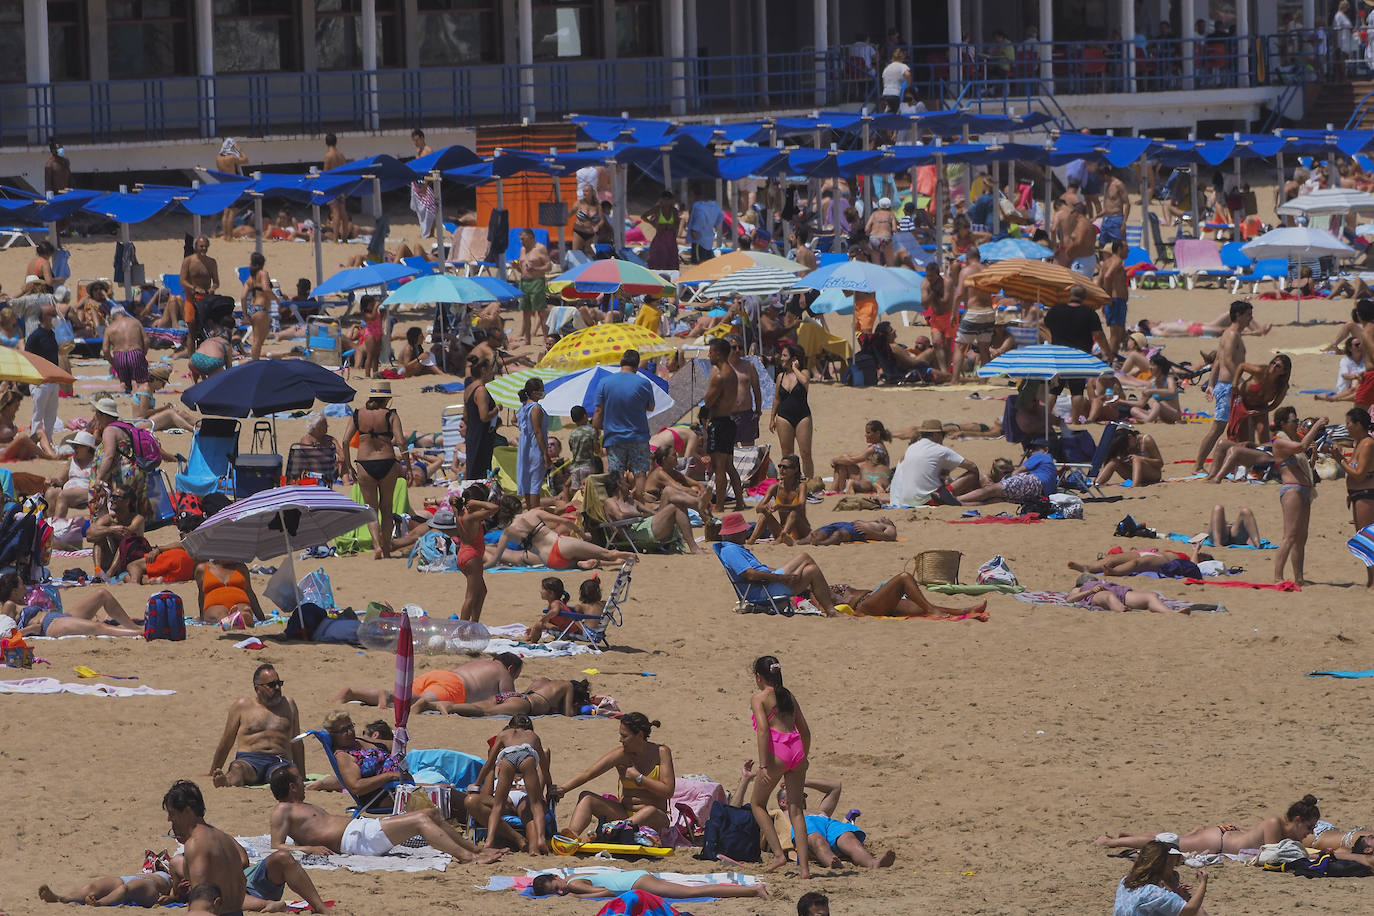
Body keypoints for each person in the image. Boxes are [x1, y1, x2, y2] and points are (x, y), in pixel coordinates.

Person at [267, 765, 501, 865]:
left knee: (429, 812)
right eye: (298, 778)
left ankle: (476, 850)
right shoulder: (283, 809)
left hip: (361, 831)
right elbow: (276, 845)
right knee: (421, 820)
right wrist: (309, 849)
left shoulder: (301, 805)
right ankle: (468, 858)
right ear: (291, 786)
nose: (302, 779)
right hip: (356, 842)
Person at [550, 712, 675, 839]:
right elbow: (588, 774)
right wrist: (563, 789)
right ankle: (571, 837)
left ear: (640, 735)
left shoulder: (661, 752)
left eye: (624, 736)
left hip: (655, 819)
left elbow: (668, 791)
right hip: (624, 814)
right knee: (586, 798)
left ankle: (613, 831)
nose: (620, 740)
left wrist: (639, 778)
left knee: (650, 811)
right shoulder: (622, 755)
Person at [745, 656, 811, 878]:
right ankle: (804, 869)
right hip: (797, 750)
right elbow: (805, 730)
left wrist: (763, 765)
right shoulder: (788, 695)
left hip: (778, 754)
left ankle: (779, 855)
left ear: (759, 677)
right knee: (796, 810)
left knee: (757, 804)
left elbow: (763, 731)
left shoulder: (759, 698)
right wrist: (805, 757)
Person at [1096, 794, 1322, 855]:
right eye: (1309, 827)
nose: (1310, 833)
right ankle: (1111, 841)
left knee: (1176, 838)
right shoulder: (1275, 823)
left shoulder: (1284, 829)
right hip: (1218, 841)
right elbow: (1271, 855)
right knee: (1168, 842)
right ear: (1297, 820)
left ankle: (1129, 834)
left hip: (1226, 835)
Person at [208, 664, 304, 788]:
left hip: (279, 760)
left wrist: (302, 775)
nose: (277, 688)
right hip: (249, 760)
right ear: (257, 688)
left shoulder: (289, 705)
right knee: (237, 769)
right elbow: (226, 742)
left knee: (283, 776)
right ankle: (226, 782)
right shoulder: (242, 706)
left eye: (279, 683)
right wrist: (213, 771)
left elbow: (297, 742)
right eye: (271, 685)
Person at [163, 781, 250, 916]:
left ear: (187, 811)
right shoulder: (226, 838)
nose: (169, 819)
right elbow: (244, 868)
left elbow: (202, 896)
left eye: (172, 813)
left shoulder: (195, 843)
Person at [339, 382, 405, 559]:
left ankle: (376, 545)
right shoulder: (390, 414)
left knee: (371, 509)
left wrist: (349, 465)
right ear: (387, 399)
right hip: (387, 463)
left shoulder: (358, 414)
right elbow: (400, 441)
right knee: (387, 508)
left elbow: (345, 441)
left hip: (365, 464)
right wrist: (408, 465)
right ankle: (386, 550)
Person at [477, 714, 552, 853]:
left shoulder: (504, 735)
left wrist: (476, 783)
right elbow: (544, 768)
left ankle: (489, 842)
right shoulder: (532, 736)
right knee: (535, 805)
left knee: (499, 807)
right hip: (526, 760)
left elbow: (488, 764)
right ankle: (540, 839)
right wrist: (551, 784)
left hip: (510, 765)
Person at [335, 654, 524, 708]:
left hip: (439, 675)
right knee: (415, 702)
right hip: (456, 687)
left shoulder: (483, 662)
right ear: (510, 668)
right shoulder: (503, 672)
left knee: (404, 697)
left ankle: (354, 693)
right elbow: (508, 697)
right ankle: (386, 695)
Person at [1194, 300, 1253, 472]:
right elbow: (1226, 360)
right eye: (1248, 315)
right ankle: (1198, 466)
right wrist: (1240, 381)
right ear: (1239, 316)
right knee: (1218, 427)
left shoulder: (1232, 334)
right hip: (1228, 387)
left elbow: (1218, 362)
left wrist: (1211, 384)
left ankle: (1241, 462)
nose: (1251, 318)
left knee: (1243, 423)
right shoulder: (1232, 334)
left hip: (1227, 385)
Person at [1270, 408, 1326, 586]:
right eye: (1294, 420)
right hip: (1292, 490)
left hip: (1304, 490)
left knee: (1302, 537)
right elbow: (1300, 448)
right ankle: (1278, 576)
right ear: (1283, 423)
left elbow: (1305, 462)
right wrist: (1316, 425)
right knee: (1290, 535)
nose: (1297, 423)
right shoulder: (1279, 441)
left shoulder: (1294, 439)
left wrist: (1314, 455)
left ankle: (1299, 578)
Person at [486, 506, 636, 570]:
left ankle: (585, 563)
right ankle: (617, 555)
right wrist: (584, 535)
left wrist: (482, 568)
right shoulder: (533, 513)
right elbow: (565, 521)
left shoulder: (507, 531)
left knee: (578, 564)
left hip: (550, 561)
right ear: (518, 508)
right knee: (607, 553)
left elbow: (494, 560)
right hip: (560, 544)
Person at [594, 349, 656, 501]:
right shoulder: (643, 383)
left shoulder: (605, 383)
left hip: (614, 437)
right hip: (638, 436)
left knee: (617, 473)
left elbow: (598, 410)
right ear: (636, 366)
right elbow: (651, 407)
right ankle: (639, 505)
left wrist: (595, 430)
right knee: (640, 472)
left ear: (621, 363)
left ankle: (620, 503)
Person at [1044, 285, 1111, 421]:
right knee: (1077, 390)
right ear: (1084, 297)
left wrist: (1052, 340)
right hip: (1079, 356)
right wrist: (1108, 352)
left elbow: (1045, 326)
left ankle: (1045, 418)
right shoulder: (1089, 313)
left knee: (1054, 390)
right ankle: (1074, 420)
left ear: (1070, 295)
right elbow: (1099, 335)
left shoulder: (1056, 310)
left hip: (1058, 353)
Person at [7, 573, 143, 638]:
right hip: (49, 625)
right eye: (21, 585)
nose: (25, 587)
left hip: (58, 617)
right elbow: (5, 636)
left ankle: (134, 627)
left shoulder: (21, 603)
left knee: (102, 594)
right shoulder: (9, 605)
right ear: (13, 591)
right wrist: (30, 630)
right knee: (98, 627)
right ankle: (141, 633)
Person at [888, 418, 984, 507]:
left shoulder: (911, 448)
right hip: (929, 499)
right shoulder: (940, 450)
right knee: (973, 474)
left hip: (904, 500)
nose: (943, 438)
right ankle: (974, 496)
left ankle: (960, 498)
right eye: (942, 435)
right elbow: (973, 466)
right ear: (936, 435)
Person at [602, 472, 698, 554]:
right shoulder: (610, 502)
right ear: (619, 483)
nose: (629, 484)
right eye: (626, 481)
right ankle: (694, 547)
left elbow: (653, 513)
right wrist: (640, 515)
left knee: (669, 491)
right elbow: (620, 516)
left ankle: (697, 502)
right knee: (675, 507)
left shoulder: (632, 501)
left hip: (646, 527)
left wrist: (659, 506)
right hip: (633, 534)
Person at [417, 676, 593, 718]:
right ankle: (449, 707)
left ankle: (431, 705)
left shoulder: (544, 681)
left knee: (479, 704)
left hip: (514, 695)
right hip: (525, 704)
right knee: (483, 712)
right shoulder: (567, 686)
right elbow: (569, 714)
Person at [1112, 840, 1207, 916]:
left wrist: (1174, 894)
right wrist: (1203, 883)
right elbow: (1189, 910)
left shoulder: (1124, 881)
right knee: (1199, 912)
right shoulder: (1152, 892)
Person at [829, 574, 989, 619]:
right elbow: (826, 609)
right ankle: (934, 611)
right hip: (864, 606)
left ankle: (966, 611)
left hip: (873, 599)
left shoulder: (825, 587)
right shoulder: (815, 594)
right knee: (904, 578)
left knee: (921, 608)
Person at [531, 873, 766, 900]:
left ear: (556, 877)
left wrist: (579, 897)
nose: (561, 891)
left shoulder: (574, 885)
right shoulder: (575, 876)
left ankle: (754, 890)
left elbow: (609, 892)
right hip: (636, 877)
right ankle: (752, 889)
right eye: (556, 892)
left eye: (557, 886)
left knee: (694, 892)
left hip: (636, 882)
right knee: (692, 889)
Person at [959, 439, 1057, 506]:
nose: (1031, 451)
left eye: (1035, 449)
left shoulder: (1041, 456)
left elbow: (1018, 471)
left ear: (1045, 450)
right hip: (1040, 494)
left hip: (1034, 482)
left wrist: (1004, 481)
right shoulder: (1051, 467)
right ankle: (961, 504)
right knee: (994, 500)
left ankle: (957, 499)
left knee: (990, 490)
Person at [950, 246, 996, 381]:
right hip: (988, 312)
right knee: (984, 349)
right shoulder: (987, 271)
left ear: (967, 258)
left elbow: (958, 294)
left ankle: (954, 380)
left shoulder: (966, 271)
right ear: (979, 258)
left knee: (960, 347)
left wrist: (953, 313)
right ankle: (984, 380)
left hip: (974, 312)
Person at [771, 344, 815, 482]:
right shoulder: (780, 376)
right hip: (784, 416)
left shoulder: (804, 373)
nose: (781, 358)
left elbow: (805, 382)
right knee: (787, 453)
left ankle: (809, 482)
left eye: (785, 356)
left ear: (793, 359)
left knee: (805, 452)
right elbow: (777, 398)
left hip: (802, 416)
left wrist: (795, 368)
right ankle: (789, 481)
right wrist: (772, 418)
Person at [749, 455, 810, 544]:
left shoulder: (801, 486)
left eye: (785, 467)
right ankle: (751, 540)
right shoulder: (775, 487)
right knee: (764, 514)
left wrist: (780, 506)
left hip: (800, 531)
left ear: (795, 470)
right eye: (779, 466)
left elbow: (801, 505)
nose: (781, 469)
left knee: (794, 512)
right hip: (781, 530)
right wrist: (767, 506)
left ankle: (781, 539)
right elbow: (758, 509)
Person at [1066, 544, 1215, 579]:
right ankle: (1086, 567)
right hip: (1151, 553)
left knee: (1139, 564)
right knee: (1112, 558)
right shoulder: (1179, 554)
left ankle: (1114, 572)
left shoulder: (1188, 561)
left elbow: (1195, 565)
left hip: (1163, 560)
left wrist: (1196, 550)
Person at [26, 303, 61, 444]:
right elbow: (28, 356)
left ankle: (48, 440)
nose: (55, 317)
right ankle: (35, 440)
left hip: (53, 379)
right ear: (45, 317)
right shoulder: (35, 336)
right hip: (40, 381)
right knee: (38, 414)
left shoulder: (51, 334)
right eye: (52, 315)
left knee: (51, 414)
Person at [194, 558, 265, 628]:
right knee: (220, 614)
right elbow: (201, 595)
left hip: (240, 603)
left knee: (244, 611)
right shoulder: (203, 568)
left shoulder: (241, 567)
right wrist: (202, 616)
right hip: (215, 605)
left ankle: (238, 619)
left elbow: (249, 592)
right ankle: (234, 620)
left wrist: (261, 616)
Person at [1065, 573, 1184, 614]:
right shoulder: (1080, 588)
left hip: (1119, 592)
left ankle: (1170, 613)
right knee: (1108, 596)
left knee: (1150, 596)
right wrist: (1090, 590)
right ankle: (1122, 610)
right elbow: (1070, 599)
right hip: (1095, 595)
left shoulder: (1101, 582)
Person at [829, 419, 892, 495]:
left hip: (866, 477)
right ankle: (837, 489)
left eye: (868, 433)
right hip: (880, 478)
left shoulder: (874, 448)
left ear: (878, 433)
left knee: (842, 462)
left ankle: (835, 489)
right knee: (843, 459)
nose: (865, 435)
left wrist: (835, 460)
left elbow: (853, 460)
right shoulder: (880, 446)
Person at [179, 236, 220, 350]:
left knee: (208, 327)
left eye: (206, 246)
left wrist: (212, 288)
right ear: (196, 247)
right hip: (191, 298)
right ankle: (191, 359)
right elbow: (182, 280)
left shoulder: (211, 262)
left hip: (206, 298)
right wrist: (194, 288)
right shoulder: (188, 261)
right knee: (191, 330)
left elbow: (216, 282)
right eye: (201, 246)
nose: (204, 249)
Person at [102, 305, 150, 394]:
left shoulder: (109, 328)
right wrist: (143, 354)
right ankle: (135, 384)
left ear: (112, 316)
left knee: (123, 381)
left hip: (119, 356)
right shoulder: (135, 322)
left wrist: (113, 362)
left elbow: (105, 350)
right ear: (124, 313)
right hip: (135, 353)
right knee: (139, 381)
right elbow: (146, 340)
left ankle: (123, 385)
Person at [516, 229, 551, 347]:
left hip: (537, 281)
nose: (521, 241)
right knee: (525, 312)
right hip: (524, 282)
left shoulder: (540, 248)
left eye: (523, 239)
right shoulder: (522, 250)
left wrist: (536, 269)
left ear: (531, 237)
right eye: (520, 239)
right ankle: (527, 339)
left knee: (541, 311)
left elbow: (548, 266)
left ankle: (545, 338)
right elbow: (522, 269)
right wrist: (516, 267)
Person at [1096, 427, 1164, 487]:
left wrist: (1141, 458)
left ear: (1130, 437)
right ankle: (1097, 483)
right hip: (1134, 475)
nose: (1127, 449)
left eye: (1127, 446)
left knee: (1136, 459)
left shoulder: (1146, 440)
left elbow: (1160, 463)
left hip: (1153, 475)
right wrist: (1124, 460)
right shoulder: (1124, 448)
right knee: (1114, 462)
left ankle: (1135, 485)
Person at [727, 335, 762, 447]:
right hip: (728, 415)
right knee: (730, 452)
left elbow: (757, 390)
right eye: (734, 347)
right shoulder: (721, 368)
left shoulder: (749, 366)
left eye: (740, 347)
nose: (737, 350)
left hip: (746, 414)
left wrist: (758, 411)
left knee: (748, 451)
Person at [1098, 240, 1130, 356]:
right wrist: (1108, 297)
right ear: (1119, 249)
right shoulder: (1117, 261)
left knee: (1119, 335)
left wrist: (1103, 300)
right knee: (1115, 337)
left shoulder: (1106, 262)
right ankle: (1110, 362)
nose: (1129, 251)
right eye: (1126, 248)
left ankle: (1108, 356)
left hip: (1114, 303)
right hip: (1116, 302)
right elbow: (1107, 277)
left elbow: (1099, 281)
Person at [243, 252, 274, 362]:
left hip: (253, 309)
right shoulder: (263, 273)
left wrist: (245, 312)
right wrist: (276, 300)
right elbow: (266, 289)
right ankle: (255, 362)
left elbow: (243, 297)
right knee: (257, 340)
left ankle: (255, 360)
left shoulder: (251, 279)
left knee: (259, 338)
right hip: (261, 309)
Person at [642, 190, 681, 270]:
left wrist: (671, 226)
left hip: (671, 239)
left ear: (671, 201)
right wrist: (653, 223)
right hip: (660, 238)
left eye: (668, 200)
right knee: (658, 260)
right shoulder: (657, 209)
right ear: (661, 200)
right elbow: (643, 216)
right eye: (664, 199)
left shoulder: (674, 211)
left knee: (672, 260)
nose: (666, 202)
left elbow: (677, 224)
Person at [686, 183, 725, 262]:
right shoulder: (713, 205)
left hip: (698, 238)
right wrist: (715, 224)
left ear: (692, 193)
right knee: (707, 260)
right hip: (709, 236)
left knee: (698, 262)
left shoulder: (697, 206)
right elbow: (721, 215)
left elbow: (701, 218)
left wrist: (694, 230)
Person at [804, 518, 896, 546]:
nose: (885, 517)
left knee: (839, 534)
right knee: (819, 532)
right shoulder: (877, 522)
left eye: (888, 519)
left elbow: (890, 537)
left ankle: (821, 543)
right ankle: (798, 542)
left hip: (859, 531)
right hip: (848, 524)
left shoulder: (889, 526)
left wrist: (869, 531)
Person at [880, 48, 911, 112]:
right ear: (902, 58)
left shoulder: (887, 67)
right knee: (895, 113)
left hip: (885, 94)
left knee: (889, 112)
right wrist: (909, 86)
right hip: (895, 94)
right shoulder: (902, 66)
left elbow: (883, 81)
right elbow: (908, 74)